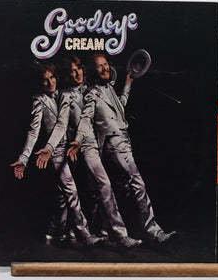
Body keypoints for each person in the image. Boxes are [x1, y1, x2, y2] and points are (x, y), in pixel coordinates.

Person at [35, 56, 142, 249]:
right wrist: (50, 148)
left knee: (93, 192)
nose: (77, 73)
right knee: (101, 186)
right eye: (72, 70)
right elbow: (61, 124)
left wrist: (127, 85)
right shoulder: (66, 95)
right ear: (67, 75)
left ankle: (83, 231)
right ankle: (120, 235)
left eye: (79, 68)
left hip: (101, 146)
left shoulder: (93, 90)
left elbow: (117, 109)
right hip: (83, 147)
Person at [70, 52, 176, 245]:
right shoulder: (93, 93)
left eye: (105, 65)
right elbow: (85, 118)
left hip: (124, 140)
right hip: (114, 143)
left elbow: (120, 107)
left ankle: (105, 230)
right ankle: (153, 231)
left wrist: (127, 84)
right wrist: (78, 140)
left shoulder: (109, 89)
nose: (104, 68)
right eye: (99, 66)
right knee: (137, 183)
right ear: (94, 71)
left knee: (122, 188)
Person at [10, 61, 101, 246]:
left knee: (62, 196)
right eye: (45, 80)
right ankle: (85, 234)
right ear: (40, 83)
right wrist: (24, 158)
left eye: (52, 78)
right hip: (54, 152)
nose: (50, 82)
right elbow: (33, 131)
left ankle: (53, 232)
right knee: (71, 191)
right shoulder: (39, 100)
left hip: (71, 150)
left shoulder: (65, 94)